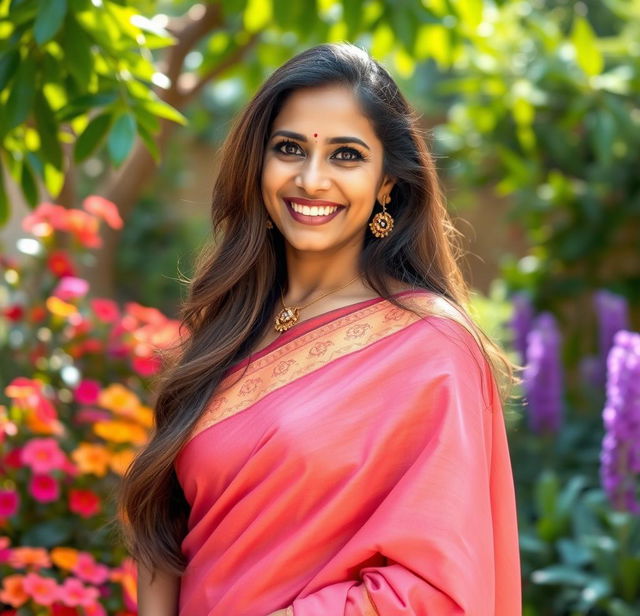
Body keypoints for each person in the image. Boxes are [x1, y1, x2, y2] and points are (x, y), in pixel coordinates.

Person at [119, 42, 522, 615]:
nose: (311, 179)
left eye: (346, 155)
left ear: (387, 182)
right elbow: (166, 524)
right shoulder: (229, 326)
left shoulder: (429, 349)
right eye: (289, 148)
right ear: (259, 163)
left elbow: (433, 587)